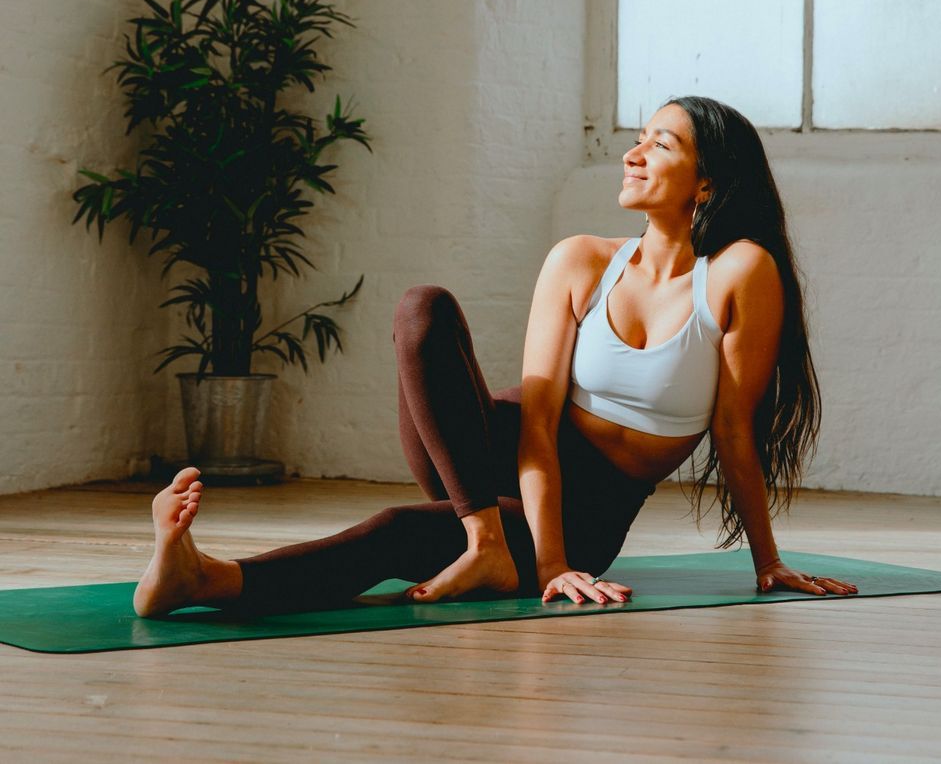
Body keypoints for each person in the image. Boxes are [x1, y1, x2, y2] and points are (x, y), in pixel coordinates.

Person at [133, 95, 858, 618]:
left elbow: (734, 431)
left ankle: (199, 579)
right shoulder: (581, 259)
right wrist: (536, 561)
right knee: (422, 307)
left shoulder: (739, 272)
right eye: (638, 137)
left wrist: (768, 563)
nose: (633, 153)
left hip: (588, 512)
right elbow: (538, 424)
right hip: (484, 451)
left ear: (706, 182)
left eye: (661, 144)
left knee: (398, 534)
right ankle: (482, 538)